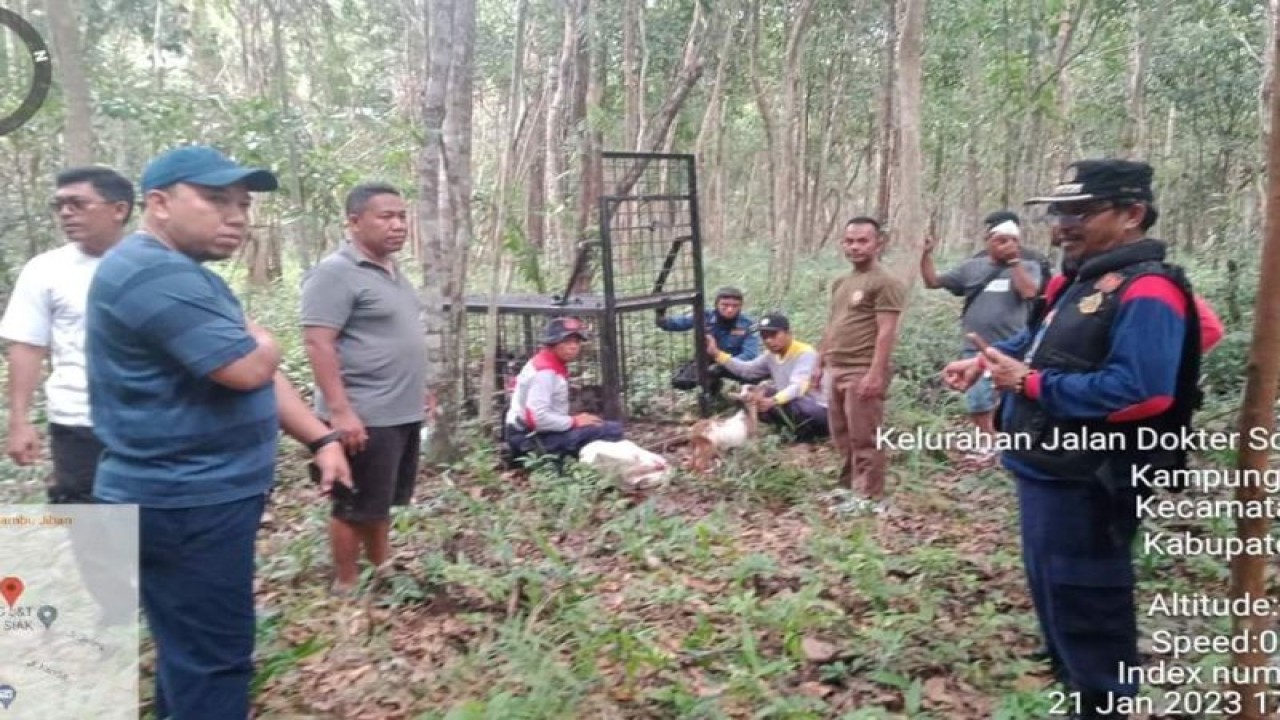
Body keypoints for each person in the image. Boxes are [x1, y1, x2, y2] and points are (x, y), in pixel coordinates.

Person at [942, 159, 1219, 719]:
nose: (1064, 224)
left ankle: (1103, 704)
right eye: (1058, 212)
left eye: (1081, 212)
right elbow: (1042, 339)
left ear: (1132, 214)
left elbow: (1143, 392)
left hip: (1092, 480)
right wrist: (986, 360)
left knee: (1089, 602)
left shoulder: (1148, 290)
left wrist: (1030, 382)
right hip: (1045, 468)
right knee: (1056, 599)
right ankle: (1076, 691)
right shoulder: (1079, 278)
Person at [86, 145, 351, 720]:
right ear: (158, 203)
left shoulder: (183, 272)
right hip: (186, 502)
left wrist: (320, 438)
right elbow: (248, 367)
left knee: (189, 650)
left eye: (242, 204)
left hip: (194, 498)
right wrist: (264, 339)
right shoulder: (150, 271)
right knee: (215, 659)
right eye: (214, 200)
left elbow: (259, 369)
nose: (236, 216)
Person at [300, 182, 428, 597]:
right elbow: (319, 341)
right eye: (385, 216)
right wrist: (340, 411)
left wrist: (419, 390)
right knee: (353, 505)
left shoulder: (392, 272)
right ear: (354, 222)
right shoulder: (335, 273)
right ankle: (347, 585)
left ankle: (381, 569)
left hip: (399, 411)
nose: (398, 225)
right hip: (363, 413)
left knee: (381, 500)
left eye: (402, 216)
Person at [1, 166, 133, 502]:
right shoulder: (45, 270)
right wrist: (20, 421)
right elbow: (27, 346)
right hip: (77, 420)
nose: (65, 213)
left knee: (153, 531)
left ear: (119, 210)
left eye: (77, 203)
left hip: (151, 422)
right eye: (59, 205)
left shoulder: (157, 264)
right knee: (91, 527)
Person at [921, 211, 1042, 440]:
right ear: (988, 241)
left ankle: (1003, 444)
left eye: (1014, 240)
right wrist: (926, 254)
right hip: (974, 348)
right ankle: (986, 440)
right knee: (977, 401)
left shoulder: (1029, 266)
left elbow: (1029, 292)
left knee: (1007, 401)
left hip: (1012, 350)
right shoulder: (971, 268)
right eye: (1001, 240)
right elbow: (932, 282)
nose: (1008, 245)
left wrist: (1014, 261)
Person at [814, 217, 906, 510]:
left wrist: (875, 373)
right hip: (836, 366)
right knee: (841, 435)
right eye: (850, 241)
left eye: (862, 241)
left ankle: (869, 496)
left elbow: (887, 330)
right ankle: (847, 490)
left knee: (864, 436)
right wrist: (819, 362)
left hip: (862, 368)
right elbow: (833, 324)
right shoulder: (842, 282)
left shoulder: (886, 282)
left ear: (879, 243)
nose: (855, 247)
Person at [505, 317, 624, 459]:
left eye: (577, 342)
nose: (574, 347)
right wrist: (573, 422)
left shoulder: (550, 363)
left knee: (603, 426)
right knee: (611, 431)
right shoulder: (544, 373)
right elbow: (537, 418)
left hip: (536, 432)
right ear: (552, 343)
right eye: (567, 342)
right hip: (530, 439)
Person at [706, 312, 829, 441]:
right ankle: (789, 429)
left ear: (788, 333)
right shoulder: (770, 356)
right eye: (764, 336)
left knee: (786, 402)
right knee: (752, 395)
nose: (769, 340)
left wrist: (773, 400)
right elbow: (748, 370)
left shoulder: (805, 354)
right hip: (791, 402)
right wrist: (717, 354)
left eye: (773, 335)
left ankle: (805, 435)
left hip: (819, 409)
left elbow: (798, 387)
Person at [658, 286, 761, 392]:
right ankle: (713, 389)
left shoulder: (749, 325)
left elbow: (750, 355)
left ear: (740, 307)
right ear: (716, 304)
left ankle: (745, 397)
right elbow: (677, 324)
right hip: (707, 360)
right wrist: (661, 315)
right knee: (681, 382)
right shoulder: (705, 316)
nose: (730, 309)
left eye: (735, 306)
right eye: (725, 305)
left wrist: (723, 365)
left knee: (752, 376)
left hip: (735, 362)